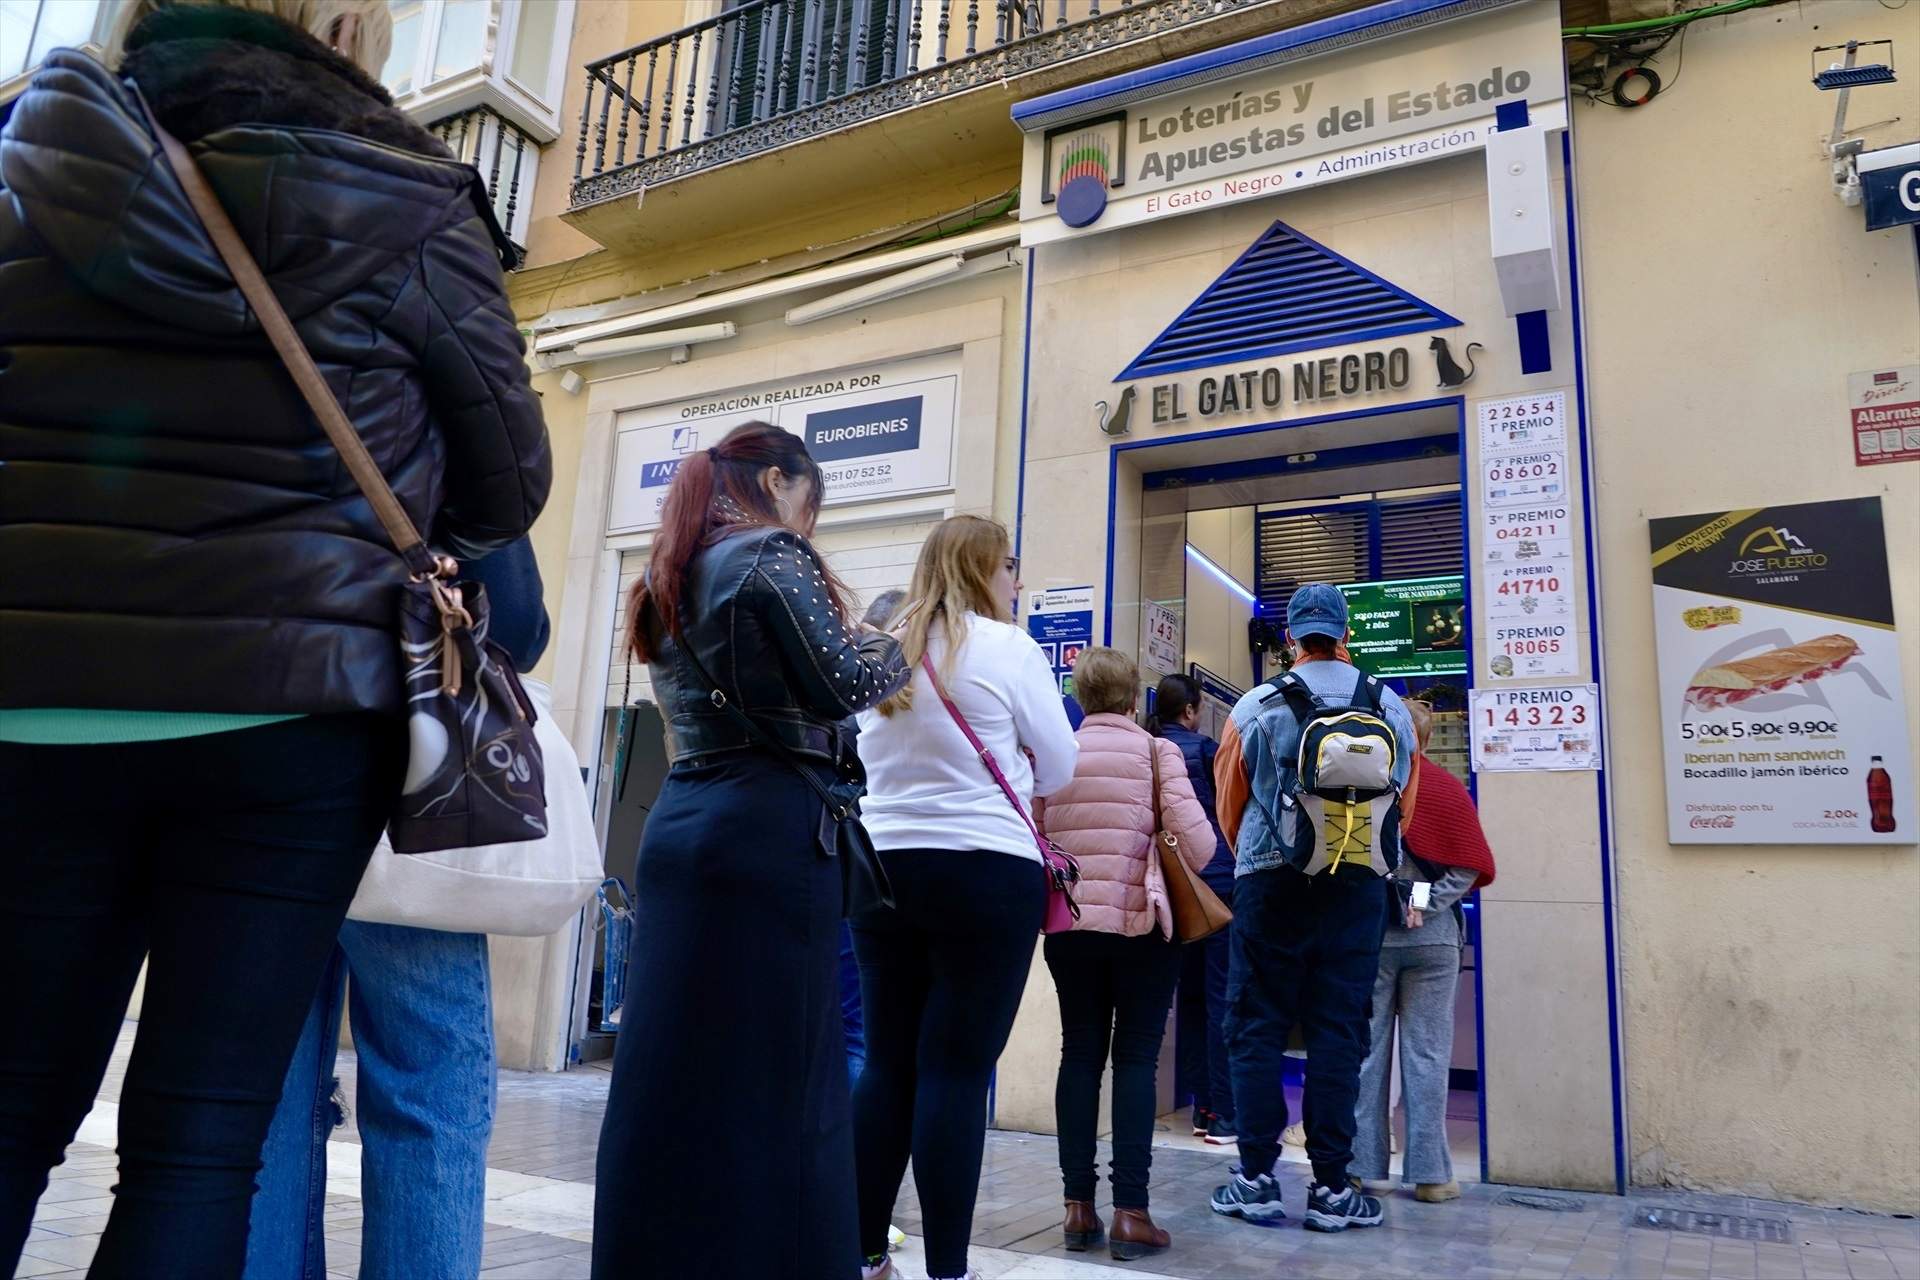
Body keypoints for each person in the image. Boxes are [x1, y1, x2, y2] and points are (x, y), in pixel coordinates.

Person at [0, 0, 550, 1271]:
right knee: (199, 1141)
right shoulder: (411, 197)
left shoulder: (27, 163)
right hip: (291, 721)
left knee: (12, 1100)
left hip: (34, 697)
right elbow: (506, 489)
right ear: (348, 19)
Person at [592, 422, 907, 1279]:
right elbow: (847, 681)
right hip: (769, 826)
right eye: (814, 503)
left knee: (669, 1071)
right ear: (777, 482)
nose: (813, 526)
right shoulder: (770, 552)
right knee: (788, 1080)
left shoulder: (669, 570)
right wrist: (901, 633)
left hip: (685, 821)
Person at [244, 538, 550, 1280]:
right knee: (429, 1091)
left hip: (254, 776)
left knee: (261, 1097)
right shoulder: (444, 421)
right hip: (411, 787)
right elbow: (513, 624)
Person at [851, 516, 1079, 1280]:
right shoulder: (1008, 646)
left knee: (887, 1064)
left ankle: (866, 1253)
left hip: (882, 870)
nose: (1018, 578)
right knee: (954, 1069)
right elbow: (1059, 766)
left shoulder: (881, 649)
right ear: (985, 569)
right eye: (1011, 564)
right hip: (986, 872)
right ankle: (947, 1268)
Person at [1207, 585, 1414, 1234]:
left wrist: (1266, 855)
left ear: (1292, 637)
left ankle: (1258, 1180)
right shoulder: (1388, 705)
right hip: (1355, 885)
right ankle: (1331, 1186)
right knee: (1338, 1031)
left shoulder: (1255, 706)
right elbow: (1402, 795)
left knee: (1257, 1026)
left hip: (1272, 884)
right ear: (1345, 632)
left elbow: (1228, 804)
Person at [1039, 649, 1215, 1262]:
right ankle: (1132, 1215)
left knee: (1079, 1053)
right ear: (1132, 695)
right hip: (1142, 927)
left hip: (1070, 926)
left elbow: (1034, 833)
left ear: (1081, 696)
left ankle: (1077, 1208)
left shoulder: (1056, 752)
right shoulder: (1156, 751)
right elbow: (1199, 844)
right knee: (1135, 1059)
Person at [1352, 699, 1496, 1204]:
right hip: (1434, 943)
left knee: (1366, 1054)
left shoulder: (1366, 788)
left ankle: (1360, 1165)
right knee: (1428, 1055)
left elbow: (1350, 863)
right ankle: (1432, 1175)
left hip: (1372, 939)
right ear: (1430, 739)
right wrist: (1429, 903)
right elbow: (1471, 865)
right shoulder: (1449, 789)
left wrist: (1393, 901)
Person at [1148, 673, 1239, 1147]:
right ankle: (1223, 1112)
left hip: (1171, 887)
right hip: (1218, 883)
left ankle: (1200, 1103)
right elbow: (1230, 812)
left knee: (1190, 999)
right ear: (1190, 710)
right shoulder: (1205, 750)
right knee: (1222, 997)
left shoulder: (1145, 749)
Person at [840, 588, 908, 1083]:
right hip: (869, 876)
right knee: (863, 1031)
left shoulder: (837, 695)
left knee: (855, 1027)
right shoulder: (864, 700)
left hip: (849, 873)